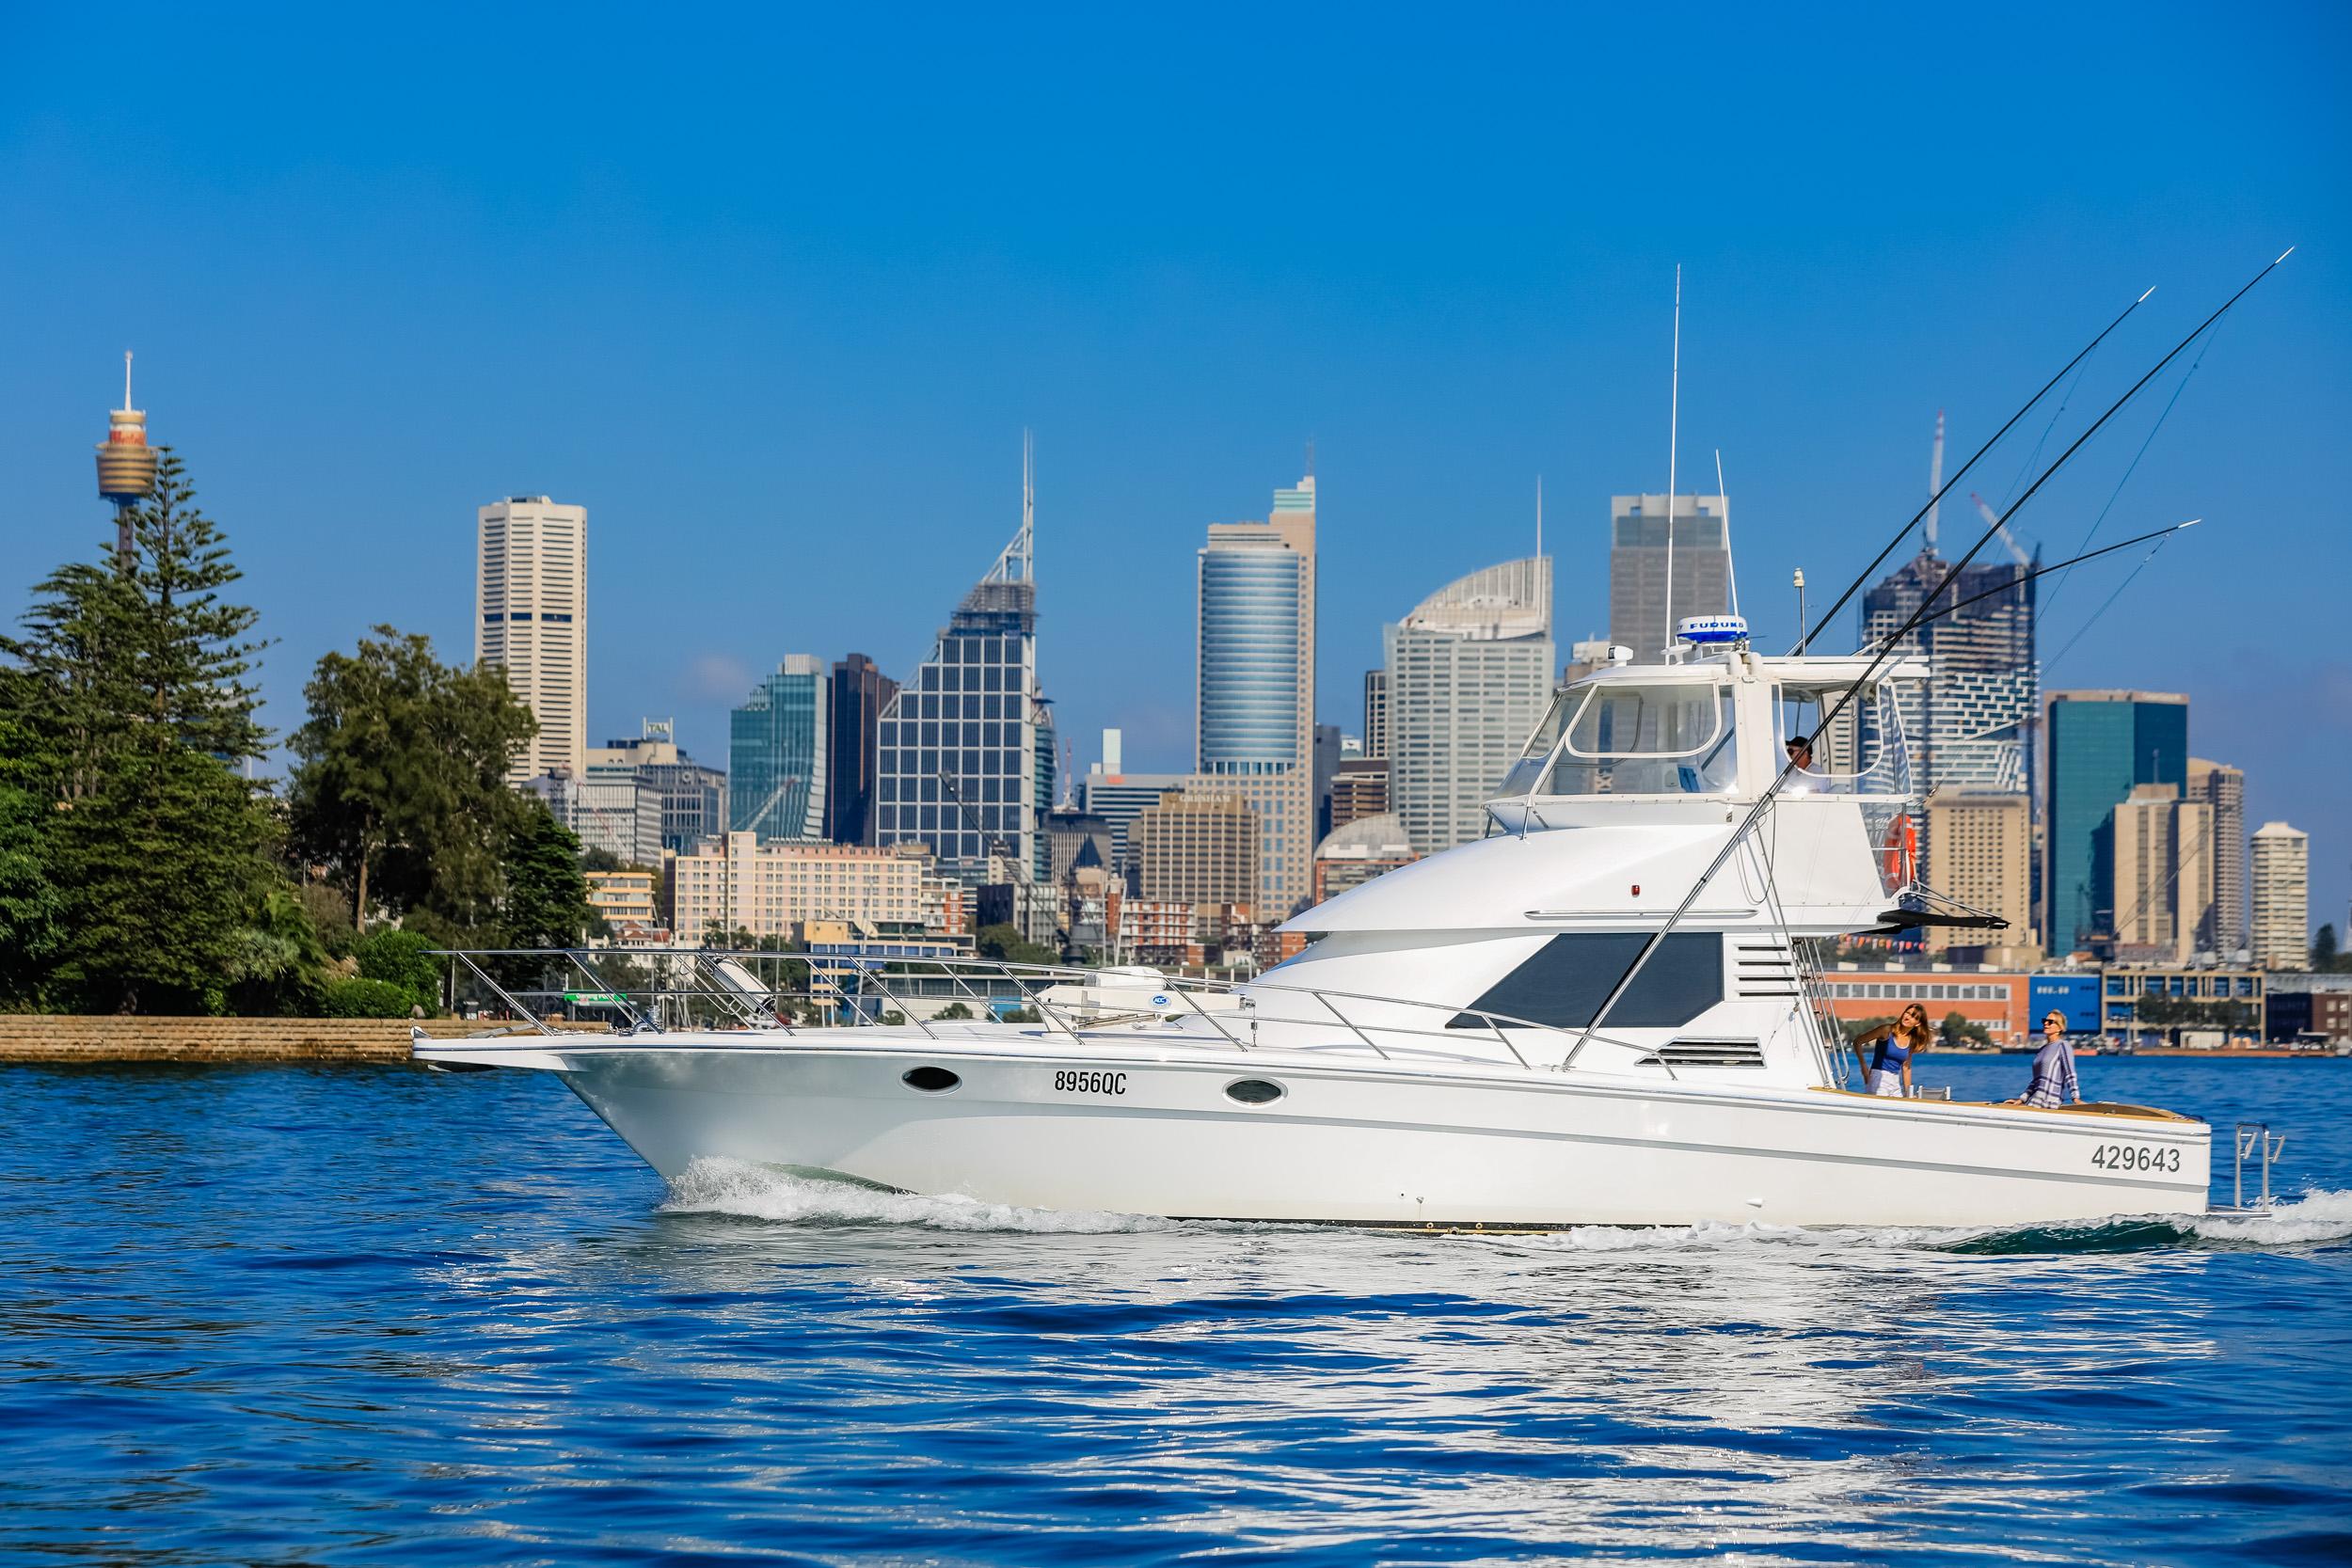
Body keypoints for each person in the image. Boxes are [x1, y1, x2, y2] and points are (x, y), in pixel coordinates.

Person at [1851, 1003, 1931, 1097]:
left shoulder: (1911, 1040)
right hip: (1878, 1078)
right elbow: (1857, 1042)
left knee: (1902, 1105)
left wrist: (1909, 1094)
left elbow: (1906, 1068)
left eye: (1913, 1017)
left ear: (1918, 1023)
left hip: (1895, 1081)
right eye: (1907, 1013)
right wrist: (1864, 1067)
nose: (1908, 1017)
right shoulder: (1886, 1030)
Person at [2014, 1009, 2083, 1108]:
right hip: (2034, 1102)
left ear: (2060, 1028)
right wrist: (2022, 1099)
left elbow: (2070, 1073)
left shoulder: (2063, 1045)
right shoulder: (2042, 1049)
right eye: (2044, 1021)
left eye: (2050, 1022)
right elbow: (2036, 1081)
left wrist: (2075, 1098)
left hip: (2050, 1103)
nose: (2046, 1023)